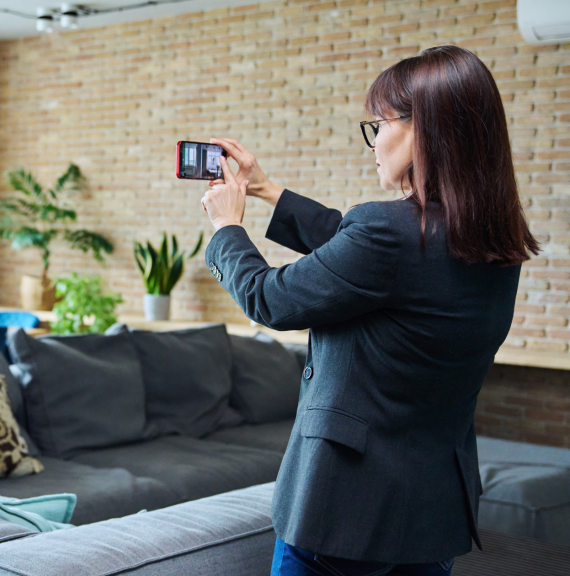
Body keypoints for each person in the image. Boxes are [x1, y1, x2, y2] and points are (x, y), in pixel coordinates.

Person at [200, 45, 539, 576]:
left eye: (380, 124)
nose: (375, 142)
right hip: (431, 513)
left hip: (342, 511)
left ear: (427, 129)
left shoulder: (390, 234)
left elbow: (270, 299)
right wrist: (266, 189)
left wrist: (228, 229)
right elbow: (357, 247)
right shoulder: (495, 238)